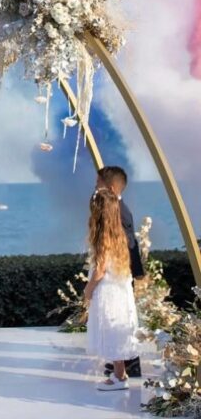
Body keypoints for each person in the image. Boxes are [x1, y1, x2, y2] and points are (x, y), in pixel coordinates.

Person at [83, 187, 139, 391]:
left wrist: (88, 290)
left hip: (108, 290)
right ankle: (119, 373)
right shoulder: (118, 232)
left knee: (111, 327)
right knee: (116, 327)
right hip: (119, 287)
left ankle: (119, 376)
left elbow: (100, 269)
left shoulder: (103, 235)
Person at [95, 165, 144, 378]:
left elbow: (130, 243)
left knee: (120, 317)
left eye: (98, 184)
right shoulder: (117, 208)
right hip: (120, 271)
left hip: (119, 272)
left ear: (112, 188)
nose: (95, 188)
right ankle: (121, 361)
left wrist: (137, 271)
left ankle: (129, 362)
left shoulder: (120, 212)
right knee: (118, 316)